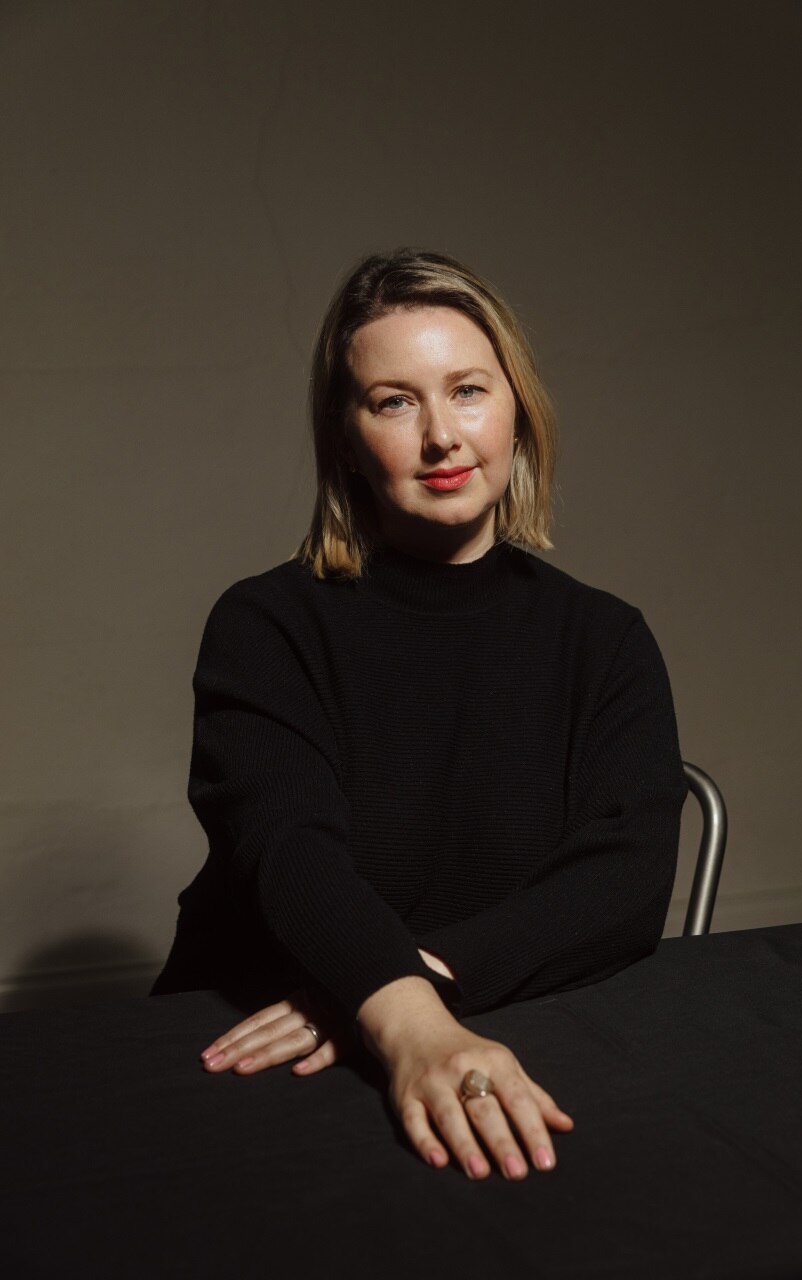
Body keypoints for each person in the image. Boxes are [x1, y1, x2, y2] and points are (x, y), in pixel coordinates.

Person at [151, 247, 687, 1183]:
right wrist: (405, 1021)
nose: (442, 435)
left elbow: (626, 877)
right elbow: (289, 849)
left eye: (468, 390)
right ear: (347, 436)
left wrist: (403, 992)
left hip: (484, 1019)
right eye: (394, 401)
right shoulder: (265, 621)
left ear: (516, 410)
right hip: (257, 1035)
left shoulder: (604, 637)